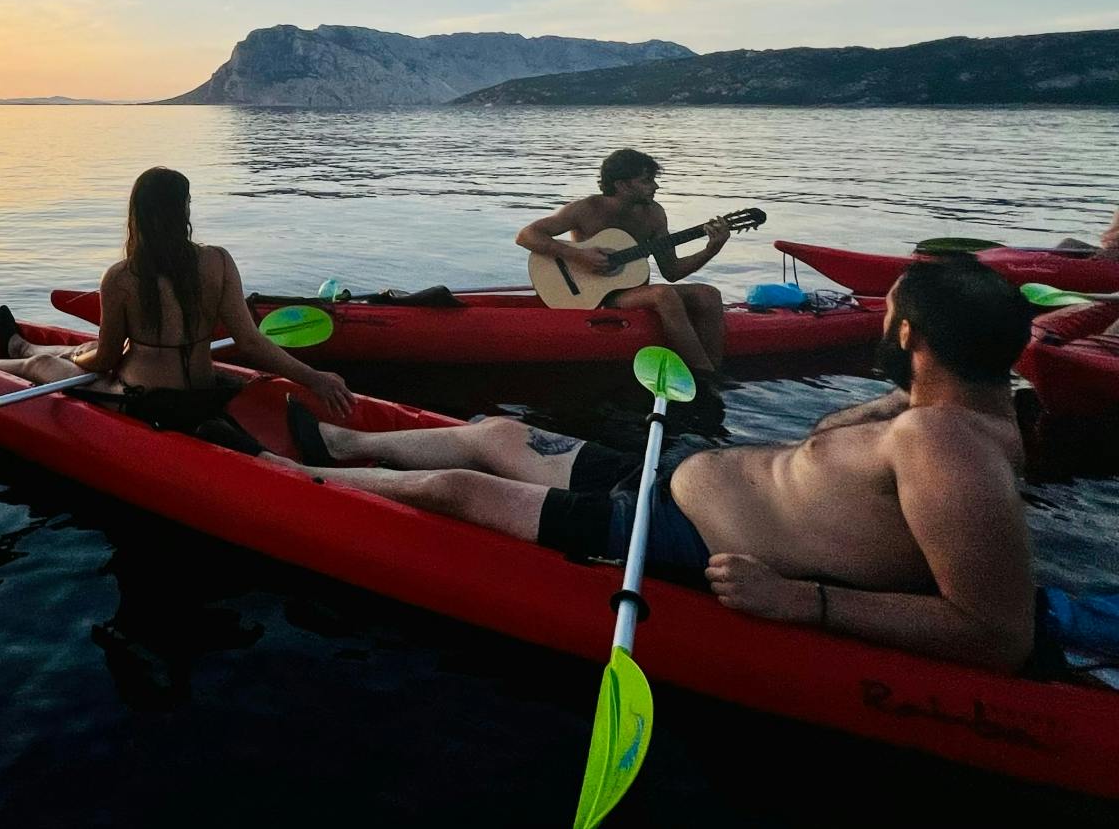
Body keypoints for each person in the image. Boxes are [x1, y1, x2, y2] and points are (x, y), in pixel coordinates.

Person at [273, 257, 1036, 672]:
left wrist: (800, 601)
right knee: (500, 434)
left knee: (460, 488)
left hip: (679, 538)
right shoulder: (947, 415)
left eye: (888, 314)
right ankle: (344, 444)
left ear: (908, 336)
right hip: (677, 476)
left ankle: (291, 481)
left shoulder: (947, 445)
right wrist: (900, 397)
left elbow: (996, 631)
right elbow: (836, 442)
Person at [0, 166, 356, 453]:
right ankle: (18, 345)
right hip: (202, 393)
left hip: (146, 401)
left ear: (138, 215)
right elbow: (250, 342)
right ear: (183, 211)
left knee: (46, 366)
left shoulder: (122, 277)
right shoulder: (219, 261)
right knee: (77, 352)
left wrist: (81, 357)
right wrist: (314, 378)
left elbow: (105, 361)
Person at [516, 148, 731, 378]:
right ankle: (704, 375)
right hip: (592, 294)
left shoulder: (654, 214)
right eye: (646, 181)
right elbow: (526, 236)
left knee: (708, 294)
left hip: (634, 291)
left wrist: (711, 249)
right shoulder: (586, 209)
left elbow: (672, 271)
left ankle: (715, 368)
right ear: (622, 185)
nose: (655, 186)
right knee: (663, 295)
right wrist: (578, 256)